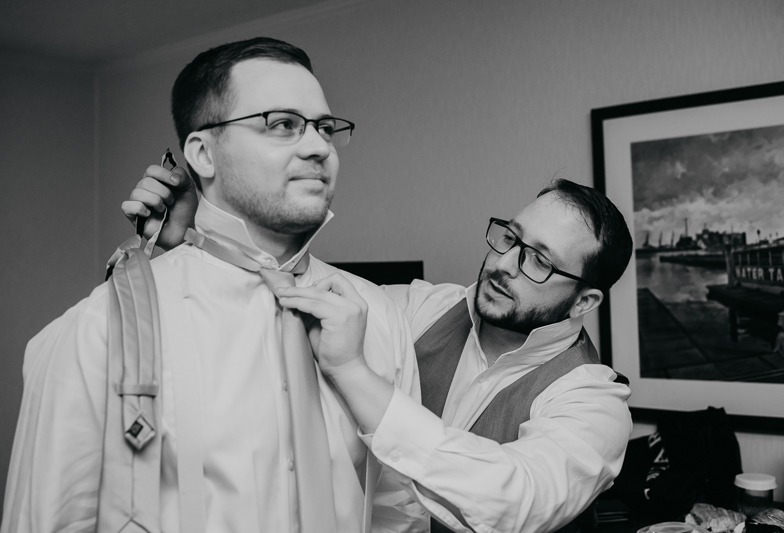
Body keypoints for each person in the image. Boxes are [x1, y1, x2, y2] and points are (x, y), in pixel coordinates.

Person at [1, 37, 425, 533]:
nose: (319, 148)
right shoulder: (101, 329)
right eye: (283, 125)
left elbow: (398, 511)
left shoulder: (377, 314)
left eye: (325, 128)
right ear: (203, 153)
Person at [124, 165, 635, 533]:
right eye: (510, 238)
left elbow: (521, 500)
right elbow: (288, 294)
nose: (503, 264)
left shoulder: (593, 400)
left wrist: (353, 373)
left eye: (539, 261)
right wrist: (188, 245)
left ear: (584, 299)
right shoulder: (419, 309)